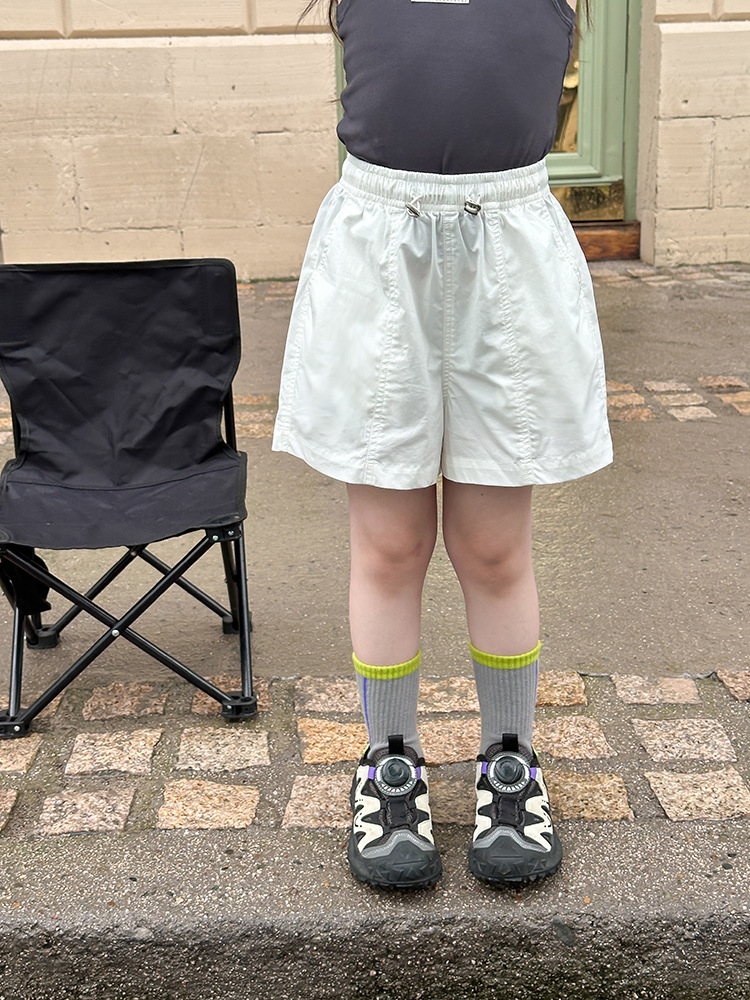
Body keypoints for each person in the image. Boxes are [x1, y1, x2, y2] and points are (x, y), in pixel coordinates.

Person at [272, 0, 611, 890]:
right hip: (379, 251)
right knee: (389, 544)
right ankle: (390, 764)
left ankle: (511, 762)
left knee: (495, 547)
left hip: (511, 248)